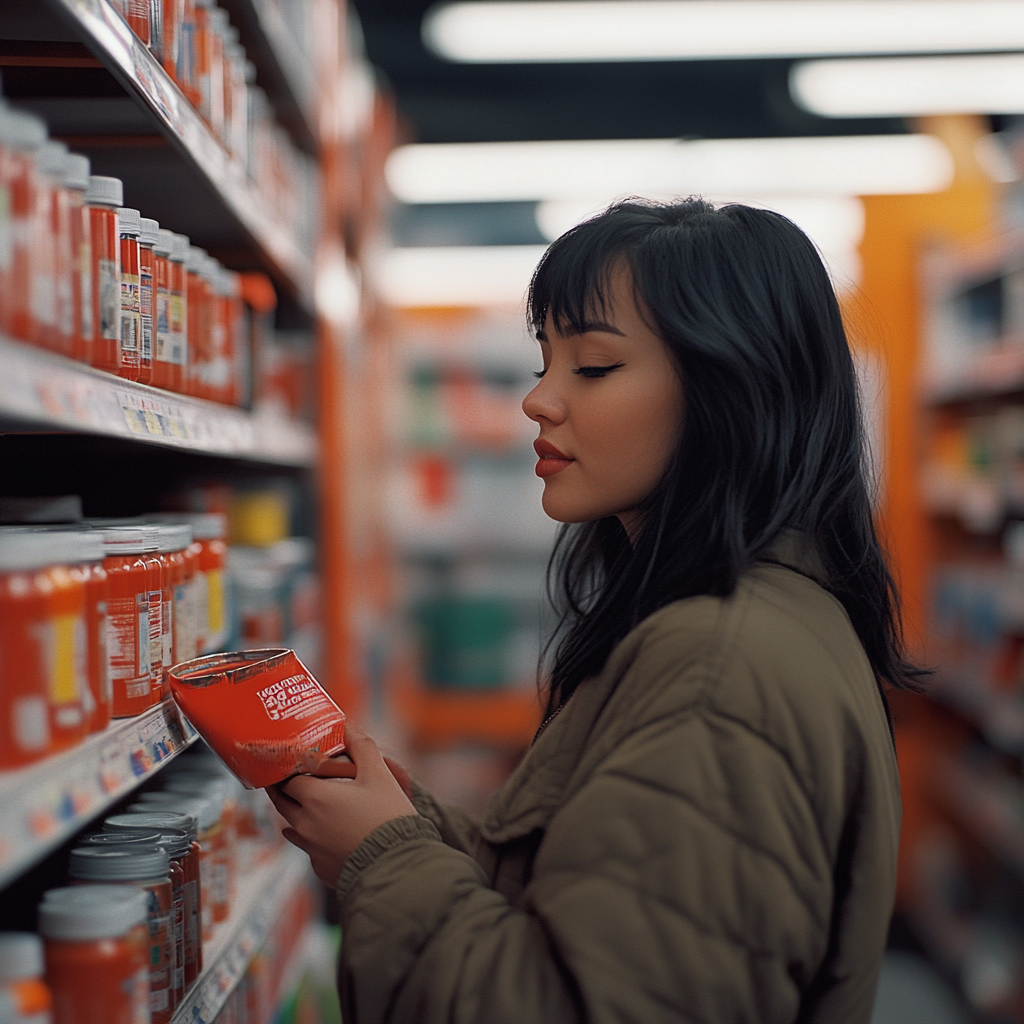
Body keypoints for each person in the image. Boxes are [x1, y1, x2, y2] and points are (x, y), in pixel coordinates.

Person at [268, 198, 920, 1024]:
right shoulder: (765, 613)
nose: (539, 400)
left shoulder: (719, 668)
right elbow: (595, 909)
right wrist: (410, 824)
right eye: (545, 361)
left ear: (733, 389)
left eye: (595, 368)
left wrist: (381, 857)